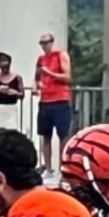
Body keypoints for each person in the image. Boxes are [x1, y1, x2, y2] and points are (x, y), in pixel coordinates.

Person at [34, 32, 73, 183]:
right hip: (45, 100)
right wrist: (37, 85)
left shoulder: (60, 55)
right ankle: (48, 168)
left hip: (60, 99)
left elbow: (67, 77)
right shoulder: (40, 59)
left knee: (63, 135)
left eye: (47, 42)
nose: (44, 46)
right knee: (46, 135)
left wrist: (49, 72)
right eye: (42, 43)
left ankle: (64, 167)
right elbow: (37, 76)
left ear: (52, 42)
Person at [0, 52, 25, 133]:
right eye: (3, 66)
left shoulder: (17, 77)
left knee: (11, 135)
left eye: (7, 66)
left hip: (11, 110)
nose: (5, 68)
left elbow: (22, 95)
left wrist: (15, 93)